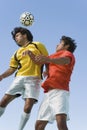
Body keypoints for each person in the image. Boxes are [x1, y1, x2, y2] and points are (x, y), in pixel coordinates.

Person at [0, 27, 48, 130]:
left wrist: (47, 70)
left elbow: (47, 59)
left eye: (17, 36)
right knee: (3, 102)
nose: (15, 39)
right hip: (19, 78)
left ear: (24, 35)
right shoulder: (16, 53)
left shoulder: (37, 45)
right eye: (14, 38)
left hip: (34, 79)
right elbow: (12, 69)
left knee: (28, 107)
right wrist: (2, 76)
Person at [28, 35, 77, 130]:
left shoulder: (67, 54)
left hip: (60, 92)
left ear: (66, 46)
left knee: (61, 122)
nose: (57, 45)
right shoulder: (51, 56)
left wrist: (48, 60)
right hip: (48, 94)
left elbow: (64, 61)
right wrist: (30, 53)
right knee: (39, 125)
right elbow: (39, 61)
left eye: (60, 43)